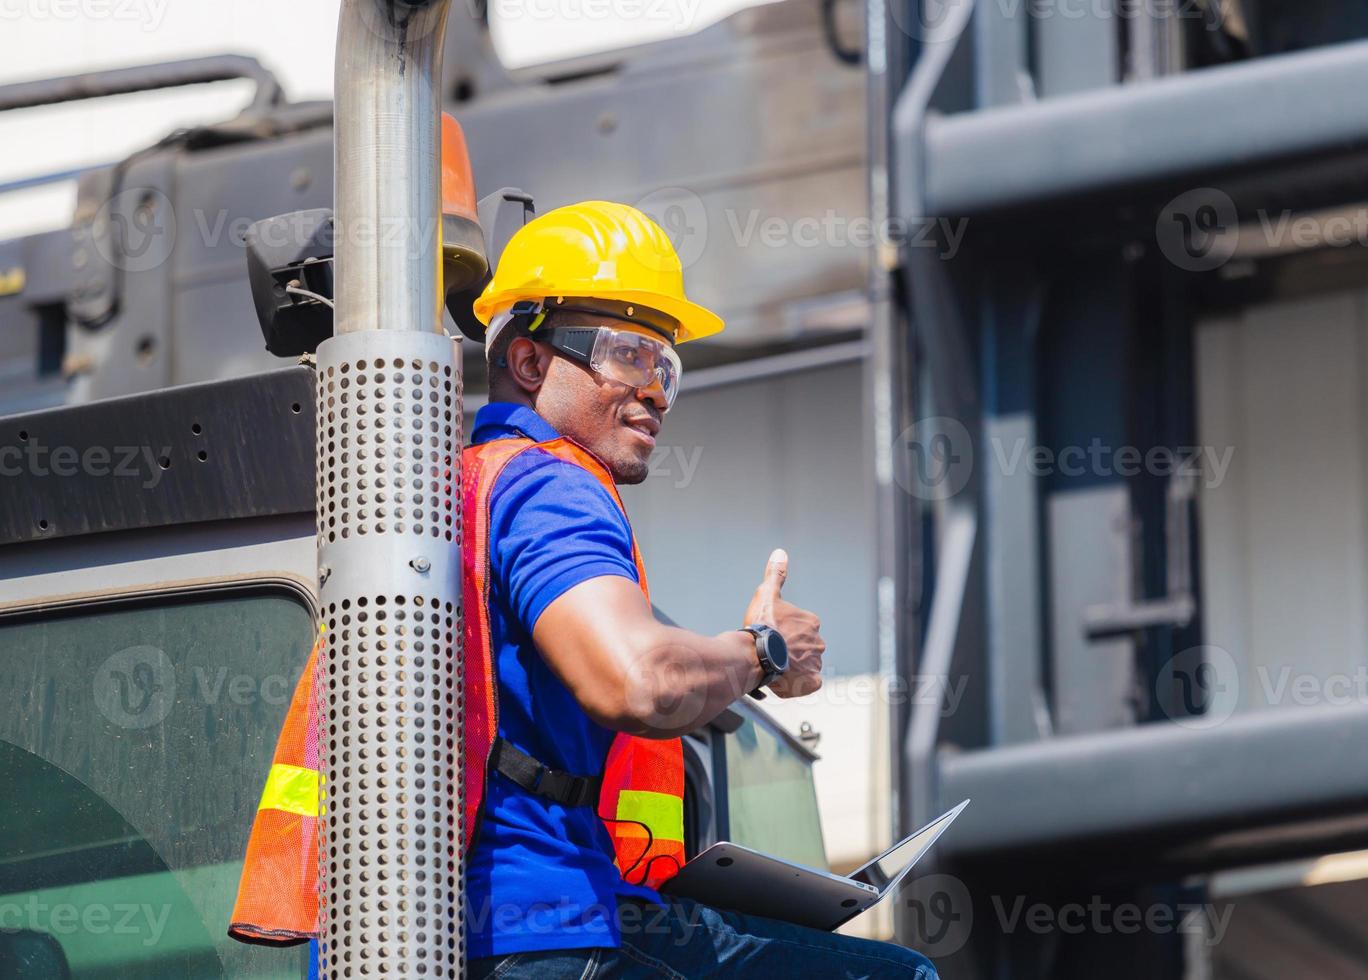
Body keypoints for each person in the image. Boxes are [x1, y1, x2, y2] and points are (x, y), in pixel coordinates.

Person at [229, 201, 938, 980]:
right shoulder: (549, 486)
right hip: (541, 930)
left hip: (483, 924)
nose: (657, 390)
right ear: (532, 364)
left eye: (666, 366)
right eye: (629, 353)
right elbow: (638, 682)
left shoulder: (463, 490)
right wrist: (765, 651)